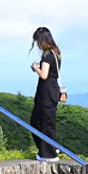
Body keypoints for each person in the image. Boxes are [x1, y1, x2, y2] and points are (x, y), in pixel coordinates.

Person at [29, 27, 67, 161]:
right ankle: (51, 148)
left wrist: (35, 67)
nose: (38, 45)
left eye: (38, 41)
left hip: (46, 92)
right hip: (53, 91)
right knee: (48, 121)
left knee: (39, 121)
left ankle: (48, 154)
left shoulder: (47, 55)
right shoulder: (56, 53)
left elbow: (44, 75)